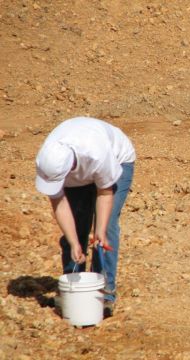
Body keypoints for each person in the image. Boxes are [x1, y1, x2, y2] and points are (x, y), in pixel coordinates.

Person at [35, 117, 136, 317]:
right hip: (81, 170)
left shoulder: (96, 153)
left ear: (69, 170)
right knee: (77, 227)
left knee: (105, 229)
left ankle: (104, 292)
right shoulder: (47, 160)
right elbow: (59, 203)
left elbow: (105, 193)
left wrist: (99, 230)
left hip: (117, 160)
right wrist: (73, 242)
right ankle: (73, 288)